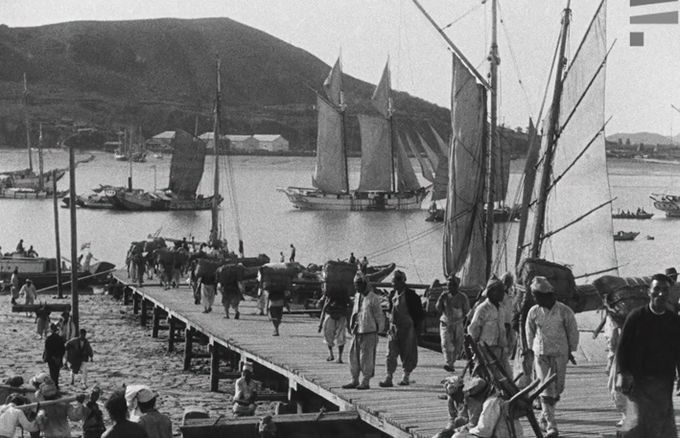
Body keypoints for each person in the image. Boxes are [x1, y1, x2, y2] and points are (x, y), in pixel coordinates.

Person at [616, 273, 680, 437]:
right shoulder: (636, 317)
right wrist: (623, 373)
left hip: (663, 382)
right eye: (656, 289)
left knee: (661, 424)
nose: (661, 294)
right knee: (637, 424)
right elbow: (623, 348)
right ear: (649, 291)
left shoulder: (674, 321)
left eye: (665, 290)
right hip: (638, 381)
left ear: (669, 293)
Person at [525, 276, 579, 438]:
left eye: (537, 296)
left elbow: (572, 331)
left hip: (559, 354)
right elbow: (529, 331)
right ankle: (551, 425)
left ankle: (544, 417)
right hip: (541, 354)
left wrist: (571, 351)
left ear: (547, 295)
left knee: (557, 389)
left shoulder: (564, 311)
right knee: (545, 388)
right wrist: (530, 350)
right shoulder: (534, 312)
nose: (535, 299)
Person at [379, 270, 424, 387]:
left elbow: (419, 314)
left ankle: (406, 376)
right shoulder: (392, 295)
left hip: (407, 328)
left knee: (408, 353)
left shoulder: (411, 296)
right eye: (392, 282)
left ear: (402, 282)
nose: (393, 284)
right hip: (394, 328)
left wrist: (418, 330)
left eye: (394, 282)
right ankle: (389, 377)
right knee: (390, 353)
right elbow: (391, 310)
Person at [342, 273, 385, 390]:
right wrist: (351, 325)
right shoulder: (357, 296)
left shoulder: (373, 298)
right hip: (357, 331)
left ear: (365, 284)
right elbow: (354, 312)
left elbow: (379, 315)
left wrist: (378, 330)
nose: (357, 287)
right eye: (355, 285)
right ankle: (354, 379)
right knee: (353, 356)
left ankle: (366, 381)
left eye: (359, 284)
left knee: (366, 358)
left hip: (369, 331)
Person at [467, 276, 511, 377]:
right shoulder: (482, 309)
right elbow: (474, 329)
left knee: (503, 375)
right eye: (499, 291)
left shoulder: (502, 309)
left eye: (503, 291)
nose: (502, 294)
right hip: (486, 349)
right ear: (491, 292)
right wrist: (476, 347)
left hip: (500, 347)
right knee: (485, 375)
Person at [435, 274, 470, 372]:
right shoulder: (444, 296)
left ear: (457, 286)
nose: (450, 287)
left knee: (457, 345)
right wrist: (440, 299)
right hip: (446, 322)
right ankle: (449, 363)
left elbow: (467, 310)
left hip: (458, 323)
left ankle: (452, 362)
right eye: (448, 285)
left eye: (452, 285)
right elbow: (438, 308)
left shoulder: (463, 297)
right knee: (446, 343)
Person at [34, 374, 86, 438]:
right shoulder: (41, 406)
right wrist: (41, 418)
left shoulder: (63, 403)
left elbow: (74, 417)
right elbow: (41, 426)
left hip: (65, 435)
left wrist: (80, 403)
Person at [318, 279, 351, 363]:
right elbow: (349, 308)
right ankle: (338, 357)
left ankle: (332, 354)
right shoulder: (343, 293)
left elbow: (324, 308)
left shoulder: (331, 293)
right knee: (339, 336)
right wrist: (349, 324)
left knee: (329, 335)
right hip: (340, 315)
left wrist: (320, 324)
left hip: (332, 315)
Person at [44, 323, 66, 389]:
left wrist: (51, 356)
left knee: (52, 372)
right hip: (58, 358)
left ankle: (54, 385)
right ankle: (56, 384)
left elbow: (47, 349)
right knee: (56, 372)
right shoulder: (60, 338)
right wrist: (59, 357)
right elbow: (63, 349)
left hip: (51, 358)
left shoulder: (49, 338)